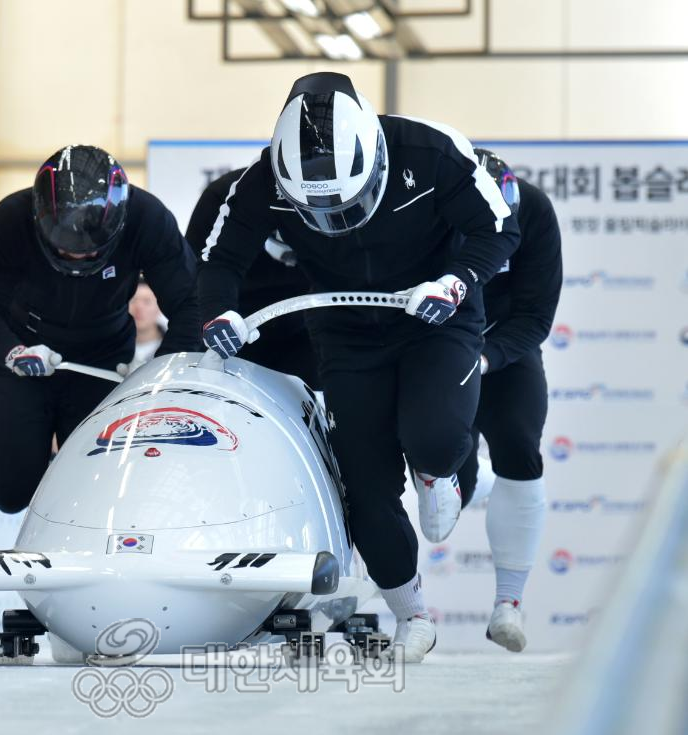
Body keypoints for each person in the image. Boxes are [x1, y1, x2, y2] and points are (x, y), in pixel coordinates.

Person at [198, 72, 519, 662]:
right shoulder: (261, 179)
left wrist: (455, 280)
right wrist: (218, 313)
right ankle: (412, 614)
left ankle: (438, 469)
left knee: (435, 436)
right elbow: (219, 259)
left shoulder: (431, 149)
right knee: (366, 487)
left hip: (434, 316)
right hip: (346, 333)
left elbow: (496, 226)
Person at [0, 144, 200, 513]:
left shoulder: (147, 218)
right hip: (27, 356)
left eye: (89, 252)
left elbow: (191, 303)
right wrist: (11, 351)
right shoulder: (11, 218)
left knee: (96, 490)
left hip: (103, 362)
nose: (79, 257)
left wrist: (159, 372)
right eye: (66, 250)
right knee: (10, 491)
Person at [454, 149, 562, 653]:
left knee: (520, 444)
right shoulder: (431, 211)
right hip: (436, 345)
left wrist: (487, 359)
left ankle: (509, 604)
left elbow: (536, 313)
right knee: (448, 464)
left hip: (504, 348)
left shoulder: (535, 211)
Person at [186, 169, 320, 388]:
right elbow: (198, 272)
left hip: (307, 325)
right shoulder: (226, 197)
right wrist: (213, 318)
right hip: (237, 325)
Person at [125, 277, 166, 372]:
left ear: (160, 307)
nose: (139, 307)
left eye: (147, 302)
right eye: (133, 300)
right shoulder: (108, 348)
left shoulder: (176, 348)